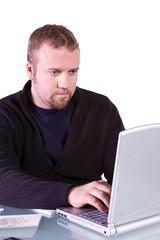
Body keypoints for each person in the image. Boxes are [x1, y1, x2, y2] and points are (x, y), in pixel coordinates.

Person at [0, 24, 124, 213]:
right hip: (23, 229)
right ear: (30, 71)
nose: (65, 84)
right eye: (54, 72)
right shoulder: (5, 114)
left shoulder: (102, 109)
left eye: (72, 72)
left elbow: (123, 177)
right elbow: (3, 179)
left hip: (85, 227)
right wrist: (70, 193)